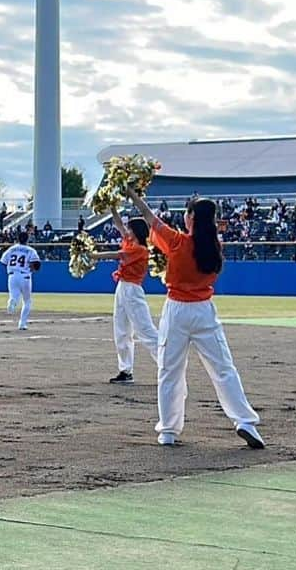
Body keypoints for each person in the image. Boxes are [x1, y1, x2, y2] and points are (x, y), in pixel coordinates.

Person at [126, 190, 263, 449]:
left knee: (169, 370)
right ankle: (245, 422)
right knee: (223, 368)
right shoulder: (213, 245)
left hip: (177, 310)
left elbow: (149, 217)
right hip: (204, 310)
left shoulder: (177, 241)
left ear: (190, 217)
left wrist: (133, 193)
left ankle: (168, 430)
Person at [87, 208, 158, 384]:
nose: (127, 230)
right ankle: (125, 371)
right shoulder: (130, 241)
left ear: (137, 231)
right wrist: (112, 207)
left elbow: (119, 255)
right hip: (123, 287)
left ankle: (168, 365)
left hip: (133, 290)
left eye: (130, 228)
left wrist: (94, 255)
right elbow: (119, 224)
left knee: (145, 330)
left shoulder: (140, 249)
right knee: (121, 331)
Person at [0, 230, 41, 331]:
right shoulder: (31, 250)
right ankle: (22, 324)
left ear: (18, 239)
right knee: (27, 301)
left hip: (12, 275)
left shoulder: (11, 249)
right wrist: (32, 268)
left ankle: (12, 301)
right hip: (25, 276)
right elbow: (36, 265)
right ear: (27, 239)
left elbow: (3, 261)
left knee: (14, 296)